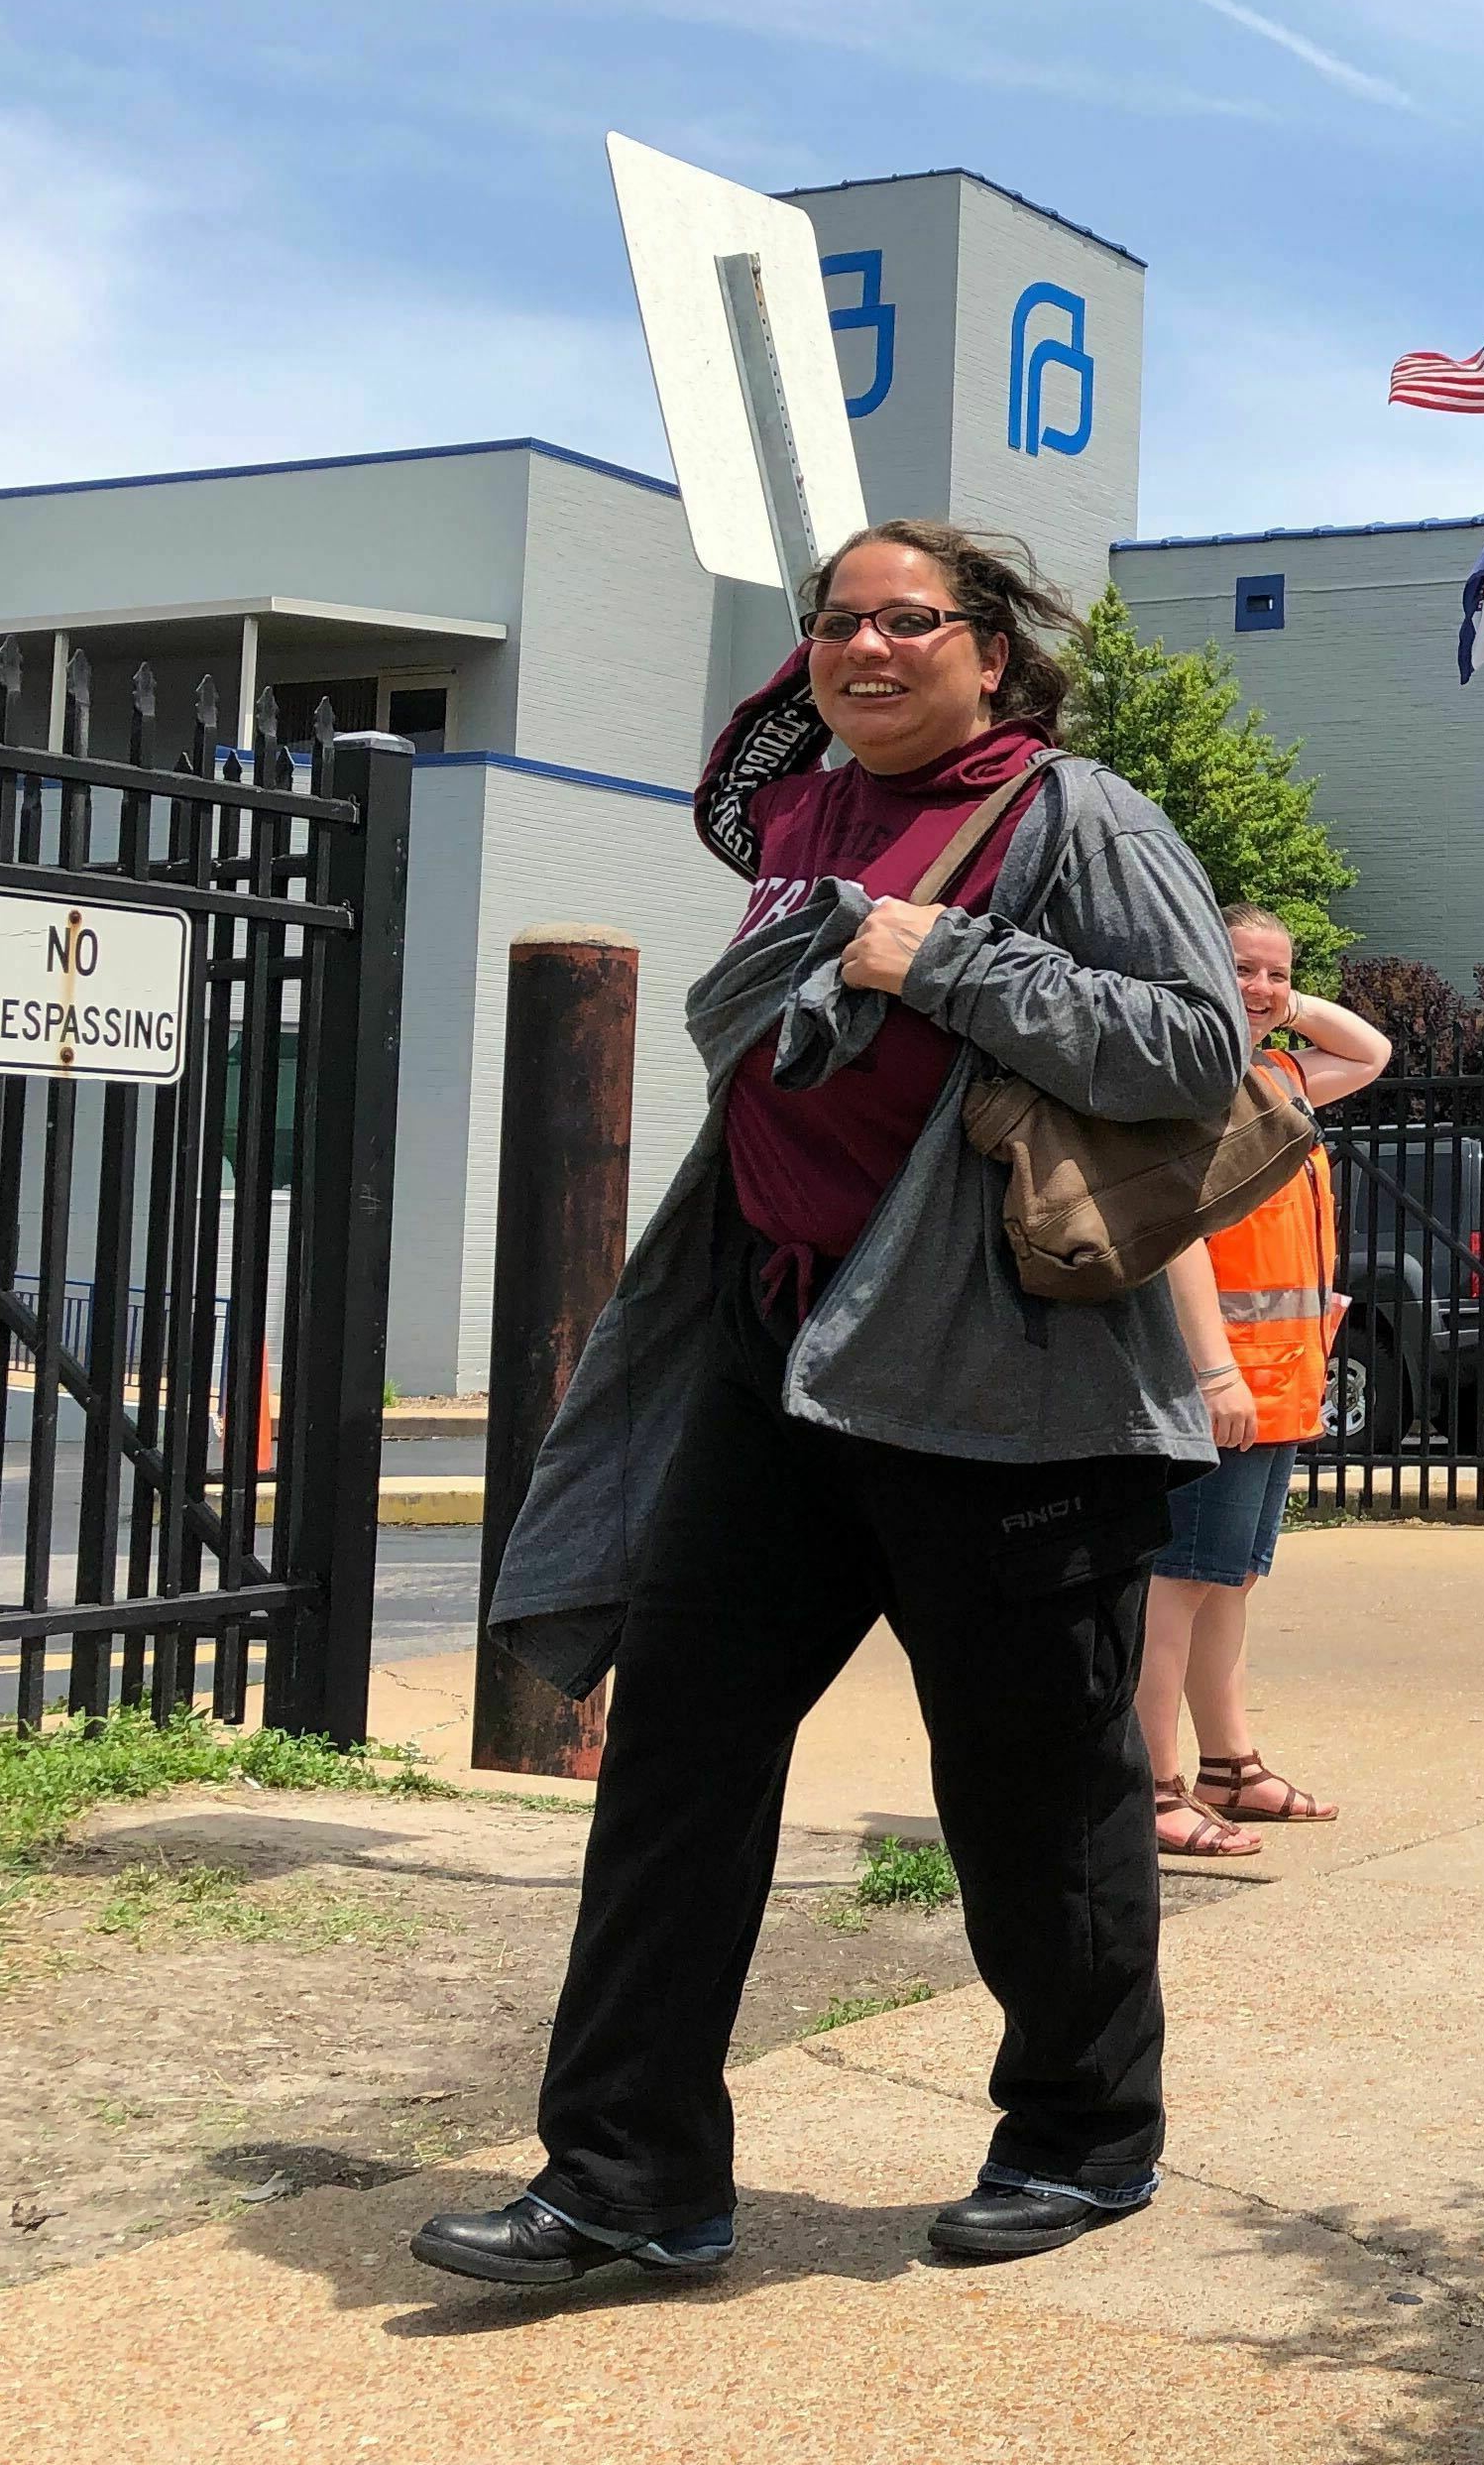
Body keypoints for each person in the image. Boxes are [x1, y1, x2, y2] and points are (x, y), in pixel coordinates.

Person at [423, 518, 1249, 2289]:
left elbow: (1195, 1053)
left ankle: (1081, 2133)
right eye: (835, 624)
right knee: (676, 1764)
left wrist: (931, 956)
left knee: (1034, 1791)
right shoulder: (798, 814)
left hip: (1003, 1387)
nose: (865, 648)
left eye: (905, 621)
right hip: (777, 1356)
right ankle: (627, 2174)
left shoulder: (1073, 814)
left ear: (992, 649)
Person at [1142, 905, 1391, 1860]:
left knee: (1229, 1580)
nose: (1263, 988)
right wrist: (1212, 1375)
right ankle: (1153, 1786)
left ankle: (1228, 1768)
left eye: (1277, 974)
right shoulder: (1189, 1084)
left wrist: (1275, 1008)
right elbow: (1182, 1237)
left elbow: (1369, 1050)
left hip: (1283, 1381)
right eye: (1241, 968)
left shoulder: (1278, 1076)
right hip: (1225, 1384)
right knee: (1178, 1584)